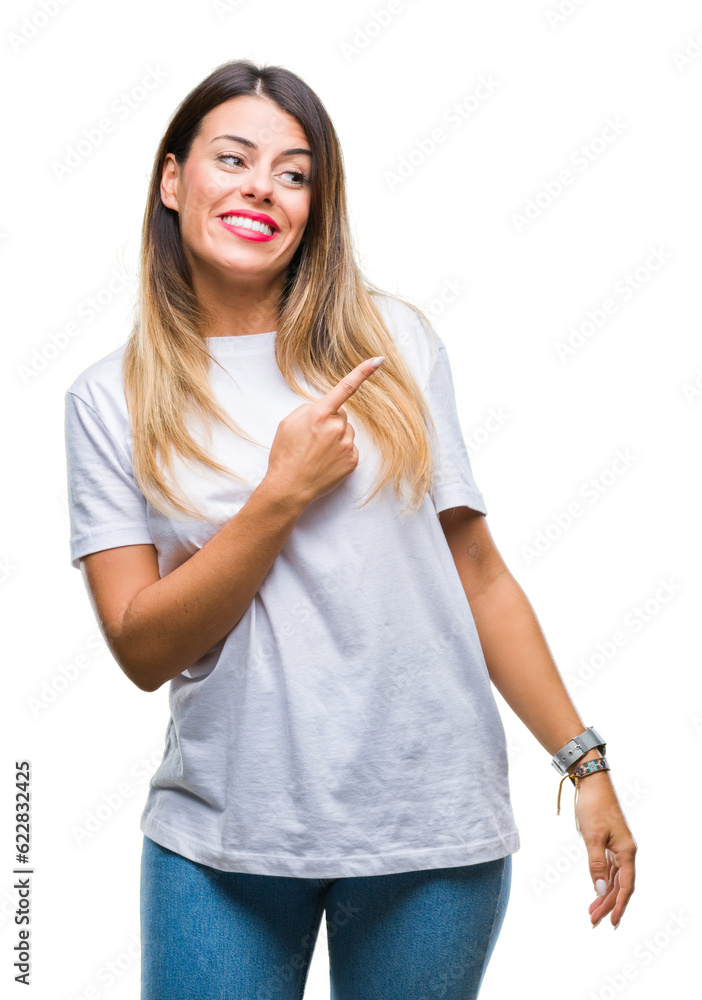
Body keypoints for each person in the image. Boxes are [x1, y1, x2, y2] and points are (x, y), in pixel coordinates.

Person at [63, 60, 637, 1000]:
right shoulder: (109, 399)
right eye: (234, 159)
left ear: (315, 208)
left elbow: (479, 575)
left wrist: (587, 766)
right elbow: (140, 646)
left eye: (294, 173)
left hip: (428, 828)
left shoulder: (394, 347)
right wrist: (278, 495)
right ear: (173, 181)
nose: (262, 188)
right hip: (222, 839)